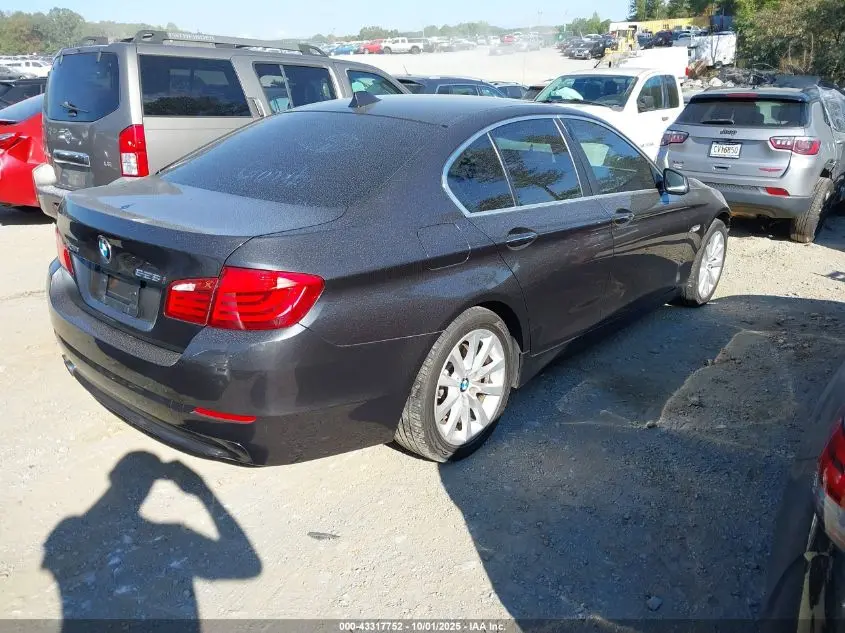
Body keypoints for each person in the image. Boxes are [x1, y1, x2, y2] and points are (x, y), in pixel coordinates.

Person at [42, 451, 261, 631]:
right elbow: (248, 566)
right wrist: (203, 492)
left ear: (113, 476)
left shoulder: (66, 532)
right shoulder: (170, 539)